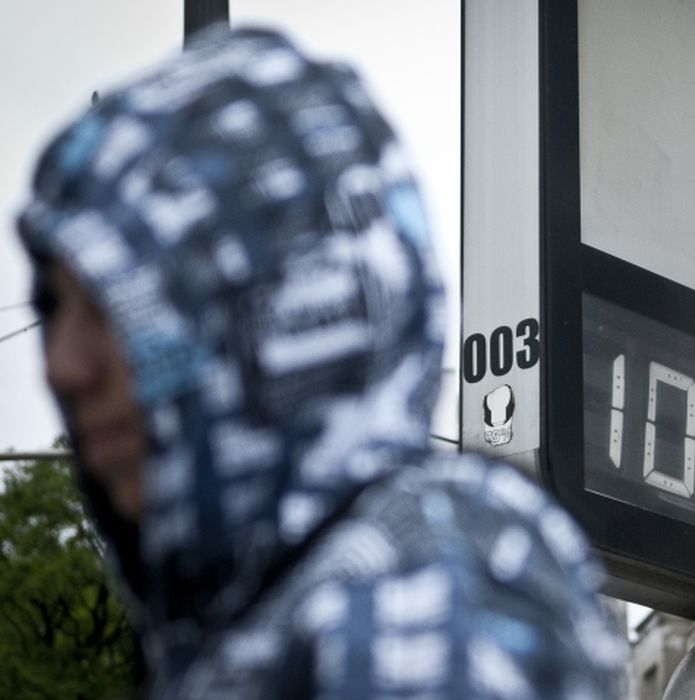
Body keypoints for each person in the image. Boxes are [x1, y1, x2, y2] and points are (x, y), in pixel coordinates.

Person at [18, 28, 624, 699]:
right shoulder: (271, 615)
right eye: (52, 308)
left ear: (278, 306)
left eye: (112, 305)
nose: (61, 366)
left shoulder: (425, 599)